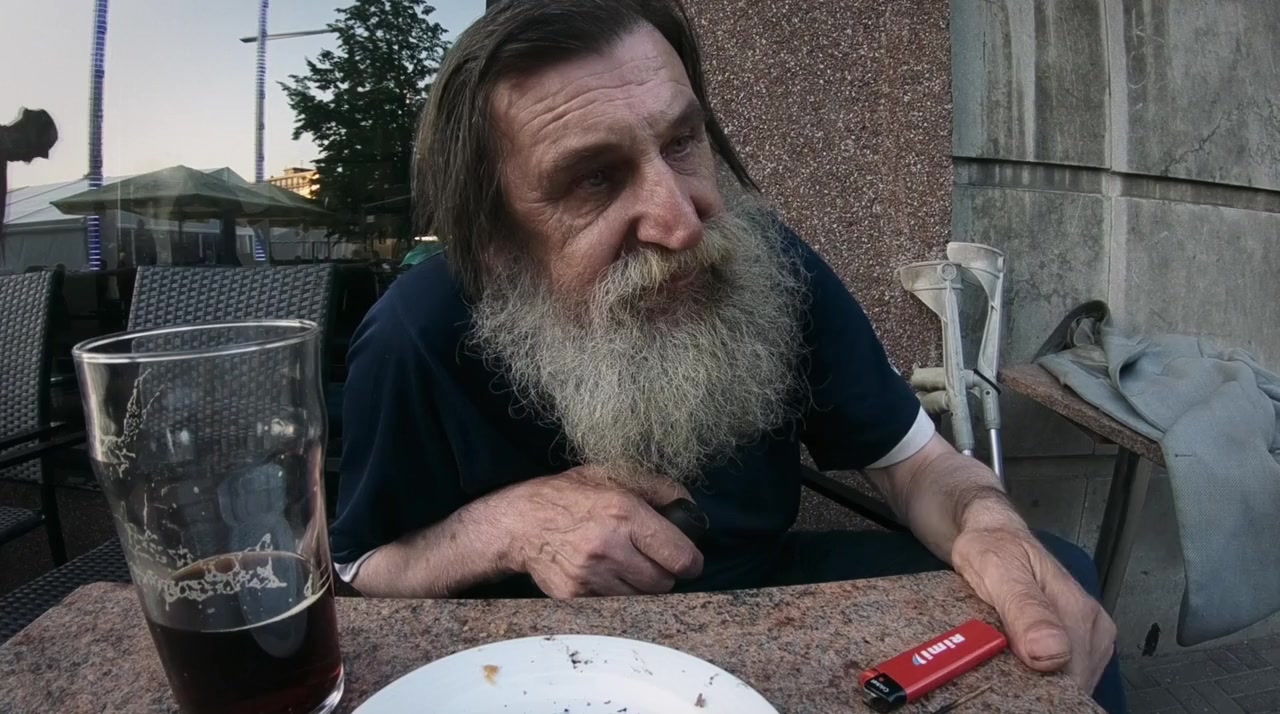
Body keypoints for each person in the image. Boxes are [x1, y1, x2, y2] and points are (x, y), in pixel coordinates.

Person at [330, 1, 1125, 711]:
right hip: (525, 654)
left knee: (1054, 578)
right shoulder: (413, 336)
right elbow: (364, 569)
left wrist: (989, 524)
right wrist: (506, 528)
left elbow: (917, 466)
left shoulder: (759, 260)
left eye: (682, 142)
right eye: (594, 180)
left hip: (761, 593)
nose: (683, 225)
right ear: (495, 240)